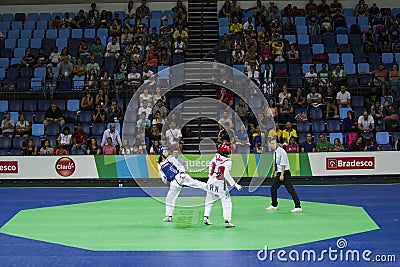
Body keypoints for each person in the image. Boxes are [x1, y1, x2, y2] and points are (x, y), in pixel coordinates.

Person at [158, 145, 208, 222]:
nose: (166, 153)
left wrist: (182, 173)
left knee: (195, 183)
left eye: (167, 151)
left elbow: (179, 165)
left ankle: (210, 188)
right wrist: (164, 179)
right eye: (164, 152)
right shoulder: (159, 163)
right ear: (161, 152)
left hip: (180, 177)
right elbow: (162, 173)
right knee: (169, 198)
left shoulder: (171, 158)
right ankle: (169, 216)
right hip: (174, 182)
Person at [203, 142, 242, 227]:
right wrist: (235, 185)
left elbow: (210, 169)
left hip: (210, 181)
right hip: (220, 183)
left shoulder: (215, 157)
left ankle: (206, 217)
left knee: (209, 200)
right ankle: (227, 221)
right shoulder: (228, 161)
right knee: (226, 201)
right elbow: (226, 175)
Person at [266, 138, 302, 213]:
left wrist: (282, 174)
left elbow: (283, 164)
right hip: (278, 172)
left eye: (273, 144)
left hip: (285, 173)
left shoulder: (282, 151)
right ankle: (274, 205)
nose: (272, 145)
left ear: (277, 144)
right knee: (273, 188)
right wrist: (273, 172)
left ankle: (298, 206)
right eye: (271, 144)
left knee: (290, 189)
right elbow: (275, 163)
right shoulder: (275, 152)